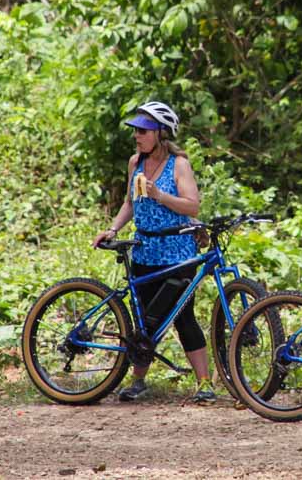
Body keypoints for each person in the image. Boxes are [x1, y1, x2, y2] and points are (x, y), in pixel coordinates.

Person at [92, 101, 216, 404]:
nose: (137, 136)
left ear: (161, 133)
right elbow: (129, 203)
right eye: (136, 130)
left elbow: (192, 206)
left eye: (144, 131)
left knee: (183, 317)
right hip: (144, 251)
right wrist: (114, 229)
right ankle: (138, 381)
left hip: (177, 253)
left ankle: (204, 383)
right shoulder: (135, 162)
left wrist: (160, 194)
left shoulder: (179, 164)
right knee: (145, 320)